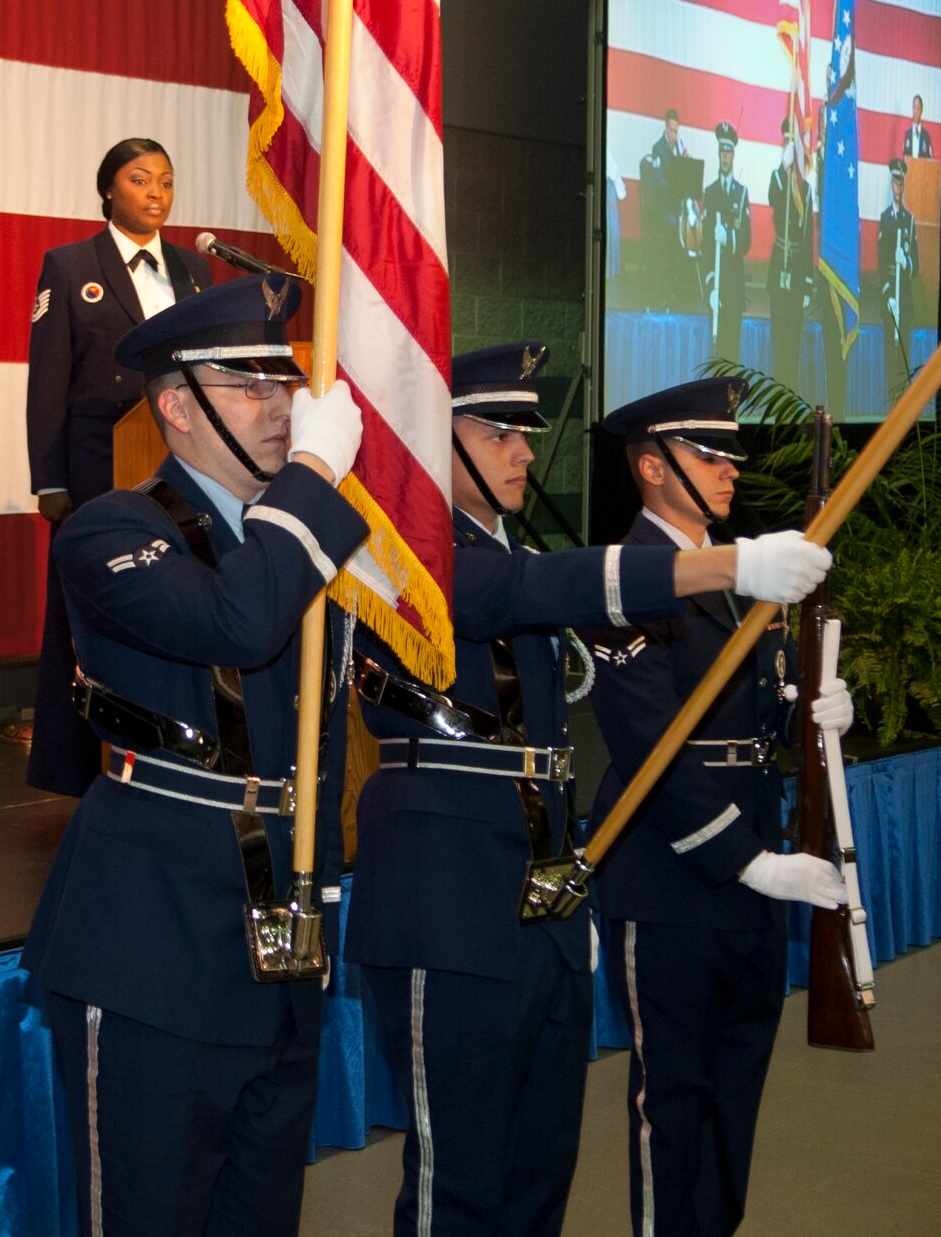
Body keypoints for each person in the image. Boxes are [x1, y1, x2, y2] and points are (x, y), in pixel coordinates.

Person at [344, 346, 833, 1237]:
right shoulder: (402, 559)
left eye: (525, 435)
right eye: (495, 432)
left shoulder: (508, 550)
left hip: (540, 904)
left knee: (538, 1174)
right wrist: (728, 568)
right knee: (457, 1179)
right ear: (425, 439)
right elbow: (536, 588)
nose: (524, 453)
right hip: (444, 899)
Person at [20, 273, 368, 1237]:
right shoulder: (114, 528)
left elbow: (319, 740)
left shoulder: (294, 541)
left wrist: (324, 891)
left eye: (283, 381)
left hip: (279, 952)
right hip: (155, 952)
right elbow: (238, 620)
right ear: (176, 406)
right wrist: (312, 481)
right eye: (246, 383)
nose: (280, 404)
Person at [586, 377, 855, 1237]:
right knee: (673, 1099)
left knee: (735, 1094)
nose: (728, 472)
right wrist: (750, 860)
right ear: (651, 469)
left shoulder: (746, 575)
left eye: (730, 456)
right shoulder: (627, 581)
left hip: (750, 885)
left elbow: (757, 710)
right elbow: (651, 754)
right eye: (707, 457)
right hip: (670, 881)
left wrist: (815, 709)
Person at [23, 137, 214, 798]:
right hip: (99, 465)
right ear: (109, 190)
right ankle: (79, 765)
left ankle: (174, 746)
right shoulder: (72, 265)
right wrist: (49, 478)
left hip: (180, 463)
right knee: (89, 613)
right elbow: (48, 379)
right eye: (141, 180)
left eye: (166, 180)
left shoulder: (192, 271)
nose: (157, 193)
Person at [767, 117, 815, 394]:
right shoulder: (778, 179)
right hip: (778, 265)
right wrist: (782, 168)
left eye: (792, 142)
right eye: (786, 140)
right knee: (778, 337)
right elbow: (774, 197)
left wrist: (808, 281)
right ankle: (776, 392)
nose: (789, 145)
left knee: (793, 339)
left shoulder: (805, 191)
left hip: (796, 270)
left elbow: (807, 237)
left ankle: (791, 393)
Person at [702, 122, 752, 363]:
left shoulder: (741, 194)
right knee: (717, 351)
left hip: (733, 283)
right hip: (717, 285)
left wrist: (728, 238)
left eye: (728, 152)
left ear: (733, 155)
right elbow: (705, 247)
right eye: (721, 152)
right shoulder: (710, 193)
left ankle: (733, 401)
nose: (724, 157)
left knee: (732, 351)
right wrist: (711, 283)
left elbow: (746, 240)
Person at [638, 108, 691, 309]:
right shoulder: (658, 148)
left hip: (675, 206)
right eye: (671, 131)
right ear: (665, 127)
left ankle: (677, 290)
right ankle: (664, 291)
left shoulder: (679, 148)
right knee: (673, 229)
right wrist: (678, 179)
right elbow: (660, 182)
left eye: (676, 131)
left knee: (684, 230)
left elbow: (684, 179)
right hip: (661, 208)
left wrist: (687, 163)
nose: (673, 135)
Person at [878, 156, 921, 396]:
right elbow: (880, 262)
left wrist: (906, 261)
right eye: (895, 183)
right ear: (891, 184)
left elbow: (917, 268)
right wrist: (887, 294)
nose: (898, 188)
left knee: (903, 355)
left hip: (903, 296)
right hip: (890, 300)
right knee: (889, 355)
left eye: (901, 183)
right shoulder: (885, 219)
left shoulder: (910, 220)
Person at [903, 95, 934, 160]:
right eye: (914, 108)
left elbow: (929, 159)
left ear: (921, 111)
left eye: (918, 108)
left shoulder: (926, 136)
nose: (916, 111)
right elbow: (904, 157)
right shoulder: (907, 134)